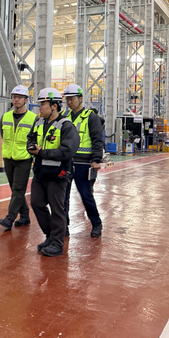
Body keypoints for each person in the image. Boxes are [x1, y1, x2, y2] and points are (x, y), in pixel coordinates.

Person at [26, 88, 79, 257]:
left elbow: (68, 151)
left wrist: (41, 152)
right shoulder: (39, 122)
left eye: (43, 104)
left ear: (54, 106)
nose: (40, 107)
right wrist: (30, 146)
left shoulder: (66, 125)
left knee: (57, 209)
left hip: (58, 174)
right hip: (40, 173)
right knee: (36, 203)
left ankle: (57, 243)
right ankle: (50, 235)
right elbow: (30, 138)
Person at [62, 84, 104, 238]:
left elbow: (97, 139)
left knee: (86, 195)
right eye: (67, 99)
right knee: (63, 197)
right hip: (66, 163)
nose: (69, 102)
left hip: (84, 164)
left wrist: (96, 159)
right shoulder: (64, 117)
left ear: (80, 98)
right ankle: (63, 226)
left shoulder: (91, 117)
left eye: (72, 99)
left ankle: (96, 223)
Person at [0, 85, 37, 230]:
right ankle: (25, 216)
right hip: (8, 157)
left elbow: (35, 139)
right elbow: (3, 134)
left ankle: (10, 218)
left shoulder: (33, 119)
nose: (16, 100)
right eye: (14, 97)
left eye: (20, 97)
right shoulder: (5, 116)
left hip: (24, 159)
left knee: (18, 189)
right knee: (15, 189)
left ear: (26, 100)